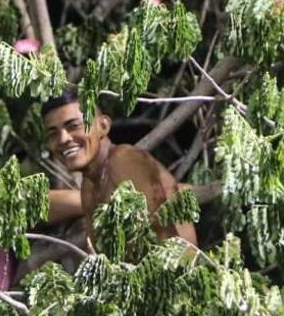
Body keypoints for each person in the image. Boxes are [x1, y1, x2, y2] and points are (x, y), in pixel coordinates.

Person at [41, 88, 197, 249]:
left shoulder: (123, 160)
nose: (63, 139)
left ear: (103, 125)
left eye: (74, 126)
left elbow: (167, 242)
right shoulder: (89, 187)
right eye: (52, 134)